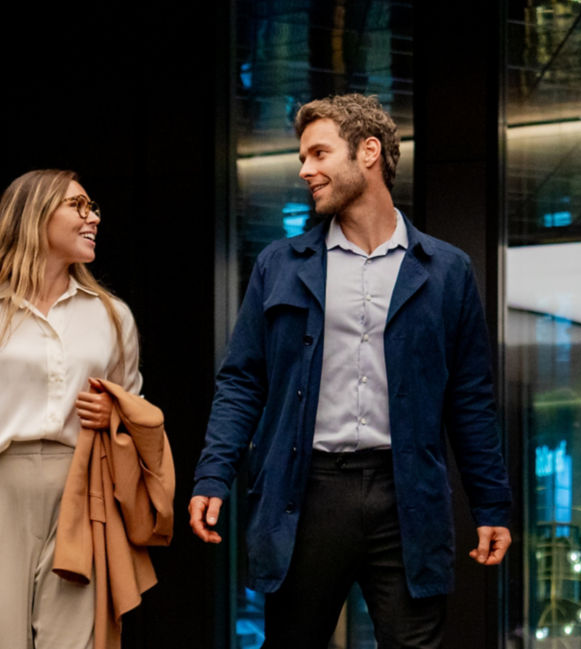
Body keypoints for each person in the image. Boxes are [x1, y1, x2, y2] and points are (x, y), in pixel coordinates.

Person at [189, 94, 512, 649]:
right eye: (302, 157)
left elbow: (470, 399)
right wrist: (214, 473)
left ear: (369, 151)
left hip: (405, 496)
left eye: (318, 153)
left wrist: (492, 504)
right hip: (306, 493)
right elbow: (242, 380)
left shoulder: (446, 270)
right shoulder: (280, 265)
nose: (304, 170)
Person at [0, 169, 143, 649]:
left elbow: (133, 410)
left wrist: (113, 415)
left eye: (92, 206)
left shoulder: (111, 315)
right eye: (77, 206)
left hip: (81, 492)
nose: (93, 217)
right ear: (34, 217)